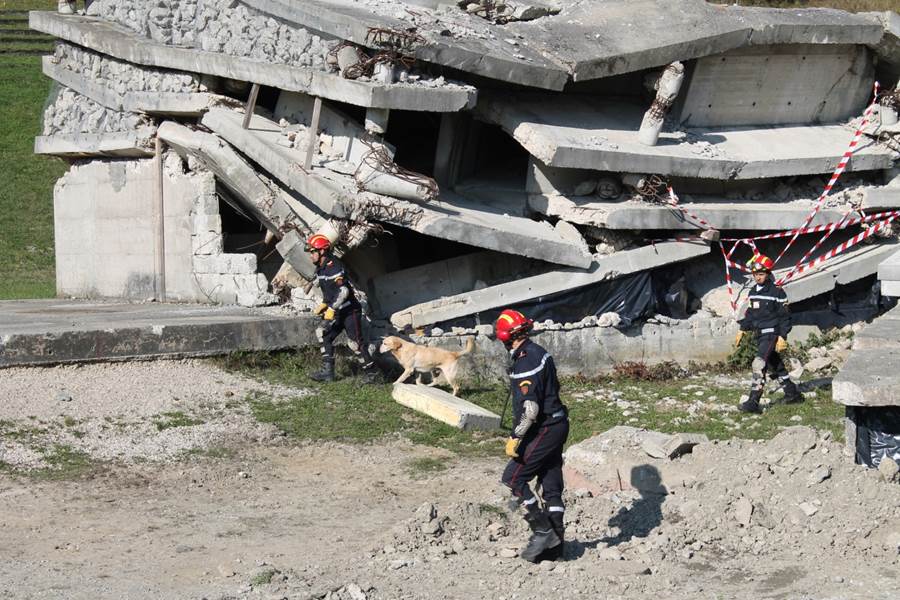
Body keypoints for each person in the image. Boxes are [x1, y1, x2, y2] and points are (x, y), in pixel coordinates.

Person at [496, 309, 569, 562]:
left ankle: (543, 531)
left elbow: (531, 408)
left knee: (513, 478)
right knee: (551, 485)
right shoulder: (538, 352)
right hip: (559, 423)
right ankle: (556, 552)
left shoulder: (526, 360)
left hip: (544, 427)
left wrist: (516, 437)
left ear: (505, 337)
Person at [305, 233, 379, 384]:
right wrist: (325, 304)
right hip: (337, 311)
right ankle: (328, 373)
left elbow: (343, 291)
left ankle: (372, 374)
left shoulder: (334, 266)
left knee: (355, 344)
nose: (310, 255)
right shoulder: (321, 268)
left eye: (313, 252)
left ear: (322, 251)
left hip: (350, 311)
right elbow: (329, 290)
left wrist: (331, 308)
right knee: (323, 333)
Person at [735, 252, 802, 414]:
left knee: (759, 363)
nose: (758, 277)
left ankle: (753, 402)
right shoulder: (753, 291)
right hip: (759, 334)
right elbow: (750, 313)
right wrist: (743, 329)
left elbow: (785, 316)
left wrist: (782, 336)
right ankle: (792, 393)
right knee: (775, 364)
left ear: (768, 274)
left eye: (761, 274)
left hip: (771, 333)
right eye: (755, 274)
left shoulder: (777, 292)